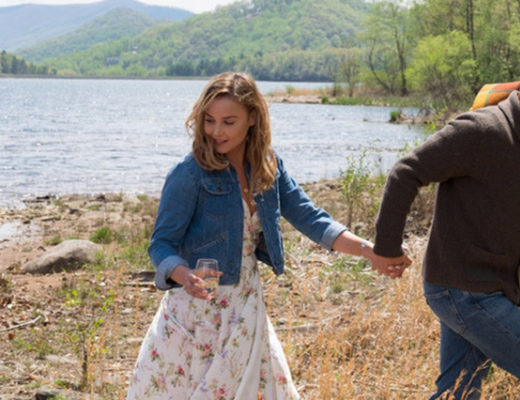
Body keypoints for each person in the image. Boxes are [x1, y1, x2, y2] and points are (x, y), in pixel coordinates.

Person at [126, 72, 388, 399]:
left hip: (246, 304)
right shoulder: (190, 172)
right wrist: (183, 273)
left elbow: (312, 219)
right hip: (196, 312)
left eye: (228, 122)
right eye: (209, 120)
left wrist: (370, 250)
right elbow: (161, 243)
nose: (216, 131)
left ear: (252, 118)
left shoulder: (268, 167)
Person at [370, 55, 520, 399]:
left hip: (484, 290)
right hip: (465, 290)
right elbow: (406, 172)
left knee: (460, 391)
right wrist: (386, 248)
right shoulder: (480, 131)